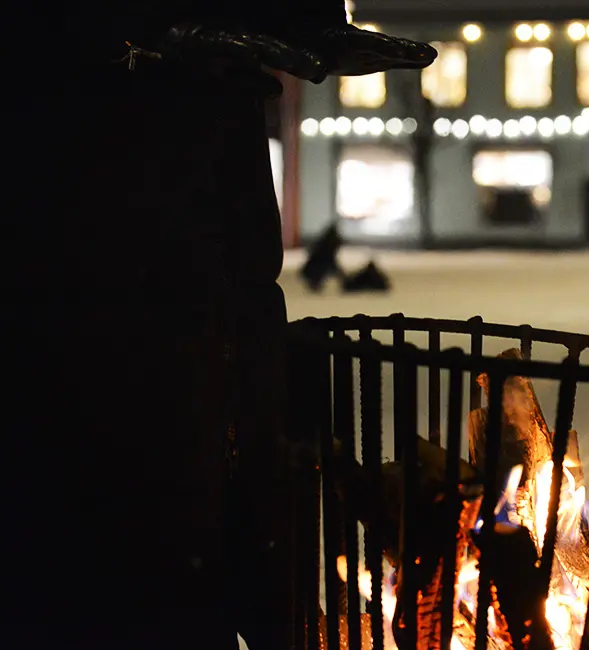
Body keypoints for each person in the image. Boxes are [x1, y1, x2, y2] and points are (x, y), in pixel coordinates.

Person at [4, 4, 434, 649]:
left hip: (214, 173)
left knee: (215, 419)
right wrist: (124, 33)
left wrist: (303, 16)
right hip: (71, 169)